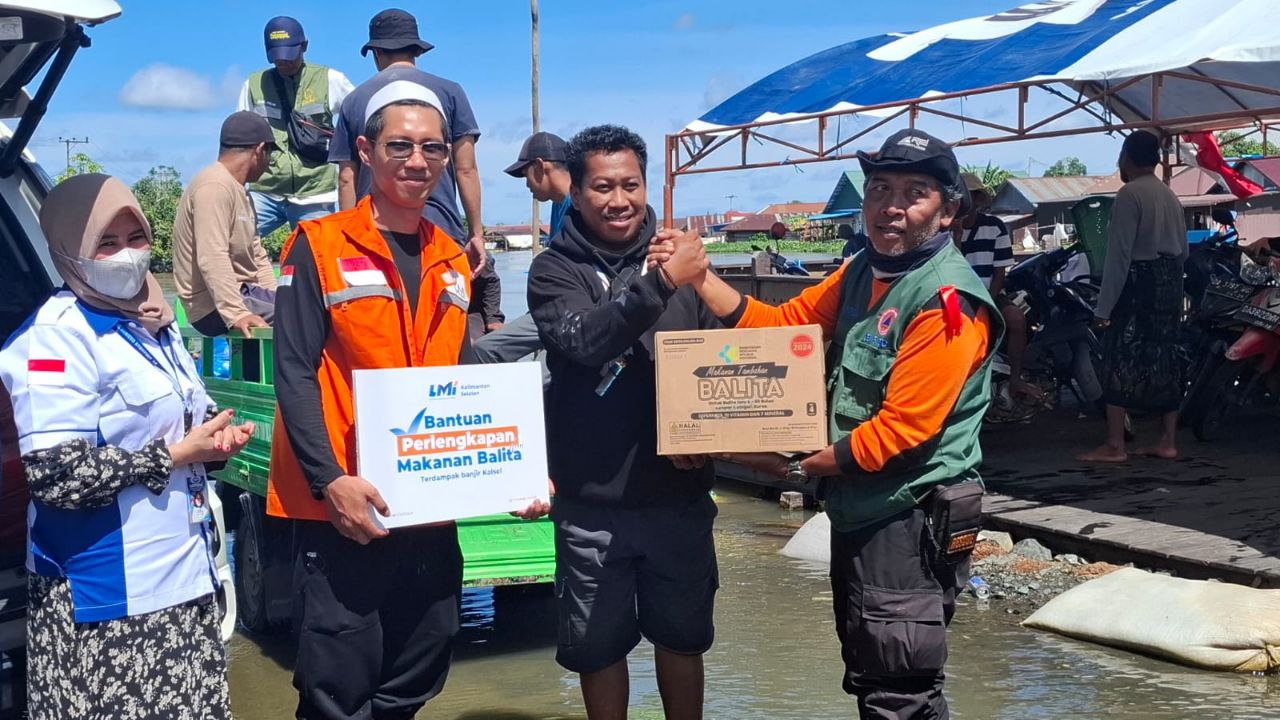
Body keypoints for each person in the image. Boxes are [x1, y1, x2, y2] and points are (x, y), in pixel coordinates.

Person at [651, 128, 1002, 720]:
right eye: (880, 189)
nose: (892, 206)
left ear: (946, 213)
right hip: (862, 507)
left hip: (907, 513)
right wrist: (700, 275)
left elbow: (902, 430)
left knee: (901, 688)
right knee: (871, 671)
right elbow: (786, 327)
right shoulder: (865, 268)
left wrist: (788, 466)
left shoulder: (947, 301)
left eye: (915, 193)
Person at [270, 82, 546, 720]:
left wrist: (520, 466)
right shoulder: (318, 245)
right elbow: (294, 370)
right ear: (365, 151)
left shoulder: (452, 258)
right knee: (336, 680)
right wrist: (329, 479)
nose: (417, 161)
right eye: (400, 146)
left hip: (428, 504)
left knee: (425, 656)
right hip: (346, 504)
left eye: (433, 148)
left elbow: (462, 374)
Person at [0, 174, 254, 719]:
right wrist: (173, 456)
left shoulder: (153, 321)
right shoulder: (55, 337)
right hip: (106, 601)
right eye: (106, 244)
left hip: (183, 580)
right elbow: (55, 475)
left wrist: (216, 437)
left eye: (135, 238)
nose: (127, 256)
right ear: (70, 251)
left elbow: (188, 410)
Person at [527, 125, 721, 720]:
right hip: (592, 506)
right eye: (603, 187)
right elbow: (585, 341)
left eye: (630, 185)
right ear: (576, 193)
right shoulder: (553, 271)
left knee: (684, 642)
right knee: (597, 652)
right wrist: (661, 281)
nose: (619, 200)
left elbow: (721, 364)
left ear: (645, 187)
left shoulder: (683, 262)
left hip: (679, 499)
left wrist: (714, 439)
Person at [330, 8, 486, 275]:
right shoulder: (451, 92)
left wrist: (348, 237)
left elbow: (346, 178)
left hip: (375, 229)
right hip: (440, 226)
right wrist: (476, 232)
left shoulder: (355, 100)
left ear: (376, 53)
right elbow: (466, 169)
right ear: (416, 50)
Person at [1078, 131, 1188, 463]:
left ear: (1127, 156)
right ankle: (1167, 440)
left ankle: (1115, 445)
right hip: (1169, 285)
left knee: (1119, 357)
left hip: (1139, 284)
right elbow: (1183, 251)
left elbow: (1119, 257)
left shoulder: (1130, 194)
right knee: (1165, 357)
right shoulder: (1170, 195)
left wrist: (1103, 307)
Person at [238, 16, 354, 237]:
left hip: (315, 192)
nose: (283, 63)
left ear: (304, 46)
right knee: (235, 243)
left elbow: (359, 115)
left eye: (289, 57)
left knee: (318, 258)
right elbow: (239, 140)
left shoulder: (330, 79)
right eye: (277, 58)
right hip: (266, 191)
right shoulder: (253, 85)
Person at [174, 110, 280, 338]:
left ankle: (263, 374)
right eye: (270, 154)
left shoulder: (240, 192)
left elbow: (258, 256)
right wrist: (236, 313)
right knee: (310, 315)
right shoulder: (214, 186)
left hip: (247, 295)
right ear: (260, 150)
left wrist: (275, 296)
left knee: (302, 306)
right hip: (214, 306)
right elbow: (212, 255)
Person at [954, 172, 1039, 401]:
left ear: (979, 200)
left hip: (989, 293)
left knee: (1016, 320)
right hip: (955, 297)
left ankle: (1015, 378)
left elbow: (999, 273)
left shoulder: (995, 227)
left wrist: (987, 302)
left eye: (970, 197)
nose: (965, 202)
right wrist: (956, 234)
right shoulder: (946, 231)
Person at [506, 130, 573, 239]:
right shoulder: (559, 203)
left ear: (539, 166)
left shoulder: (580, 205)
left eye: (526, 175)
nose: (527, 184)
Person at [467, 253, 505, 339]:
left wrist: (493, 317)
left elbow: (490, 280)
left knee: (472, 342)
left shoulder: (470, 253)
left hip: (472, 310)